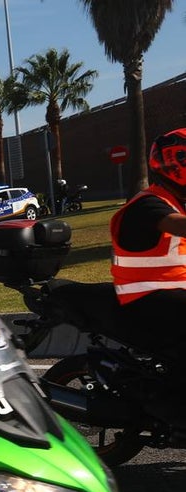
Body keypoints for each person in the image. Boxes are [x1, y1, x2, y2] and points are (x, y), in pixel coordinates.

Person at [111, 128, 186, 383]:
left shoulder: (177, 202)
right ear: (176, 164)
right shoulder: (147, 205)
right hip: (145, 297)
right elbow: (177, 225)